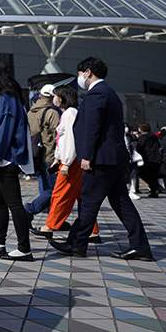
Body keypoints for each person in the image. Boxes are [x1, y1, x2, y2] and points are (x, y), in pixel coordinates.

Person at [49, 57, 152, 260]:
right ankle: (140, 247)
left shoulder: (97, 94)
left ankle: (77, 245)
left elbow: (92, 128)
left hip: (100, 159)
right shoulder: (109, 93)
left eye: (80, 73)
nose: (79, 78)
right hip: (112, 159)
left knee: (88, 202)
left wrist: (86, 156)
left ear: (88, 72)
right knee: (122, 203)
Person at [0, 60, 34, 262]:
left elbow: (2, 134)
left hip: (7, 159)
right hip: (6, 158)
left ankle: (24, 248)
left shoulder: (6, 99)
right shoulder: (9, 98)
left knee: (14, 204)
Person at [30, 85, 100, 242]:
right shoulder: (70, 113)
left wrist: (66, 162)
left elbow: (70, 140)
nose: (53, 99)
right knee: (81, 197)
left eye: (55, 96)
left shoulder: (69, 114)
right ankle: (93, 231)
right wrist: (58, 158)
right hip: (73, 161)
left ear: (61, 98)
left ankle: (49, 226)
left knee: (60, 194)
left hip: (71, 163)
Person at [24, 84, 61, 217]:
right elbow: (59, 136)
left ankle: (49, 211)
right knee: (52, 190)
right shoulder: (52, 112)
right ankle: (30, 208)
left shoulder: (30, 112)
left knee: (43, 184)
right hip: (49, 155)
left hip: (35, 154)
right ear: (52, 97)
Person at [136, 123, 163, 198]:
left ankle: (155, 187)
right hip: (156, 158)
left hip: (147, 159)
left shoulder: (143, 137)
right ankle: (154, 190)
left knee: (143, 173)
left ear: (141, 129)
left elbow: (139, 148)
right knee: (153, 175)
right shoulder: (154, 136)